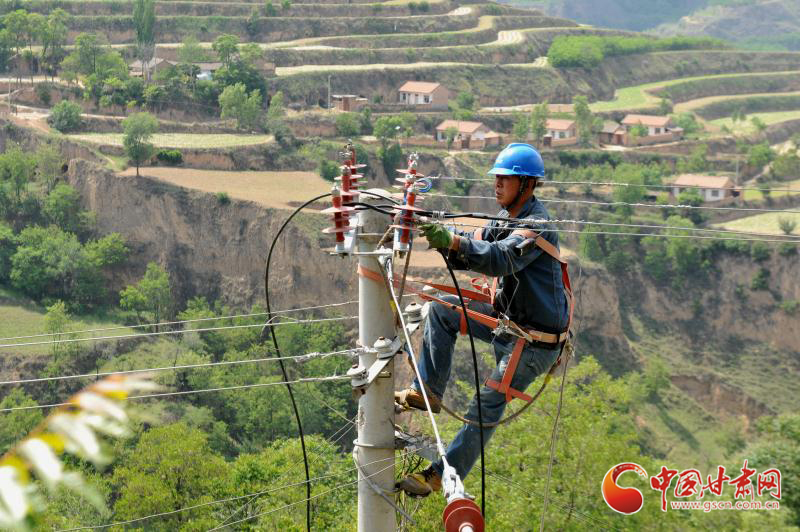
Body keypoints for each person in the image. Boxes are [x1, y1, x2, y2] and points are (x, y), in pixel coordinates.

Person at [395, 143, 571, 497]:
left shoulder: (535, 225)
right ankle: (427, 391)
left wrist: (453, 242)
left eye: (505, 179)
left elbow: (499, 258)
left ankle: (440, 476)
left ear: (526, 184)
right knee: (442, 309)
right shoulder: (504, 219)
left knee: (486, 404)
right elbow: (475, 242)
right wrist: (440, 233)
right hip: (510, 322)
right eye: (497, 178)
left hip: (534, 343)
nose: (497, 184)